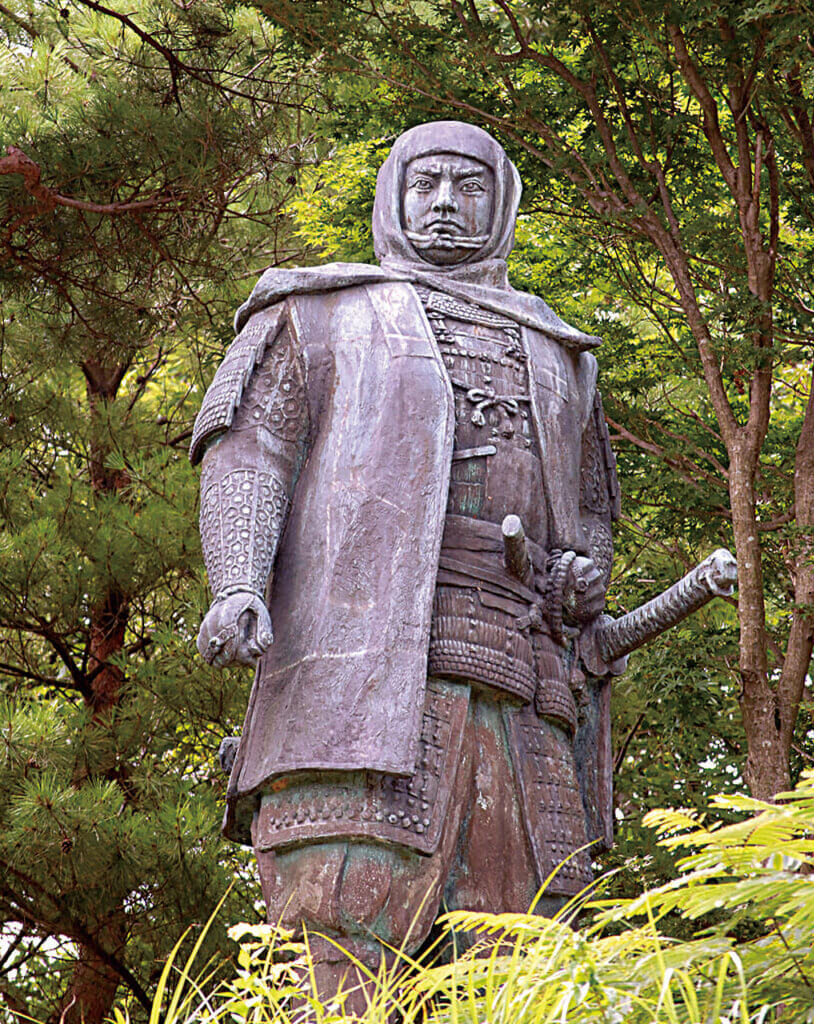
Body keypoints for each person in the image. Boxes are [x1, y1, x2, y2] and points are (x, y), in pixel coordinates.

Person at [191, 121, 620, 1006]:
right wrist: (237, 583)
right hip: (356, 678)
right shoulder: (321, 312)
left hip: (524, 684)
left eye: (470, 186)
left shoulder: (562, 354)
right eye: (426, 184)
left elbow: (592, 516)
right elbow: (252, 453)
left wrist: (585, 573)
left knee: (527, 958)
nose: (446, 204)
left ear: (502, 204)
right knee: (341, 924)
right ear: (394, 194)